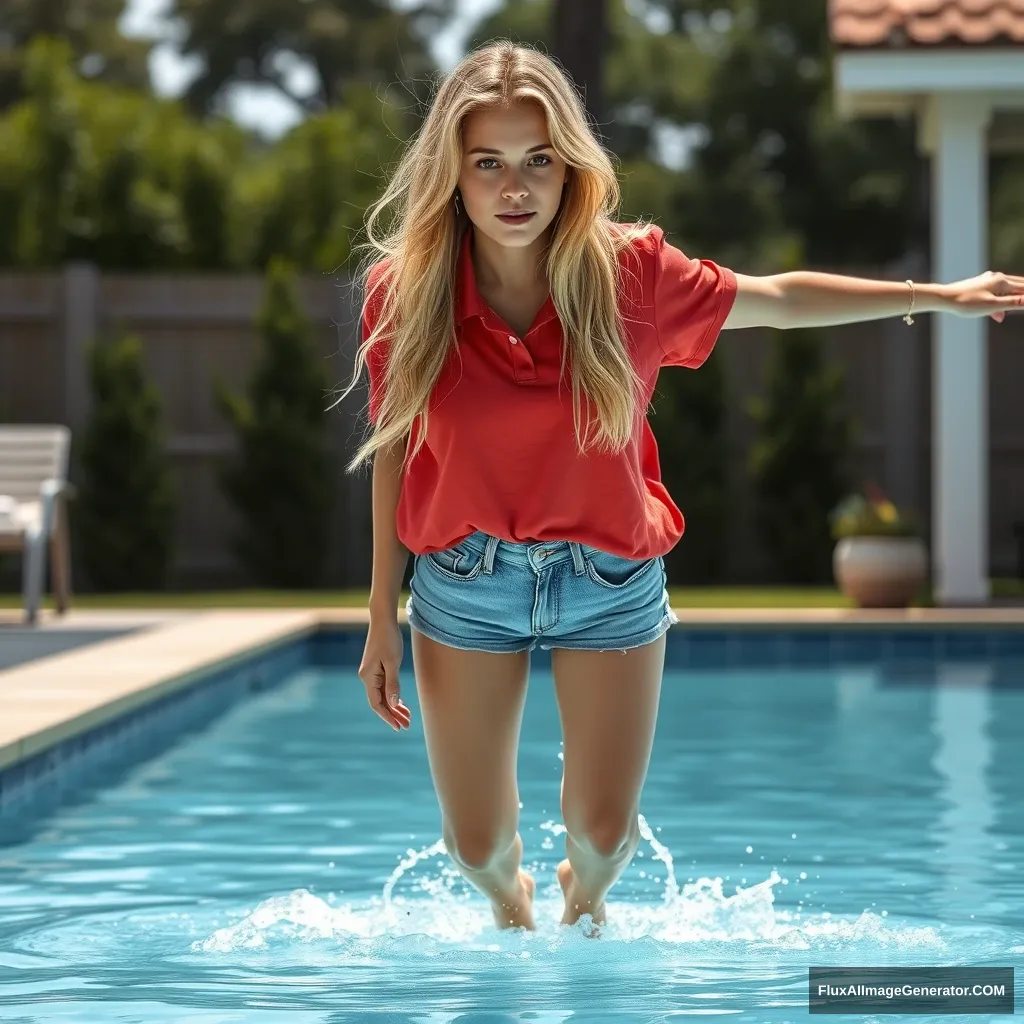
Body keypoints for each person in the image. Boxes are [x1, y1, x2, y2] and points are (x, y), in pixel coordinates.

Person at [335, 41, 1023, 933]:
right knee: (473, 850)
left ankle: (584, 905)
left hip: (609, 579)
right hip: (464, 585)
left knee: (604, 836)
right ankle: (515, 905)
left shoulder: (630, 275)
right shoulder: (406, 292)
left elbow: (774, 295)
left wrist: (937, 296)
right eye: (489, 165)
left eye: (538, 162)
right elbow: (396, 448)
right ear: (453, 176)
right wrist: (380, 610)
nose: (516, 188)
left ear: (569, 166)